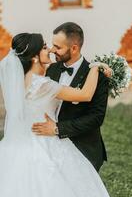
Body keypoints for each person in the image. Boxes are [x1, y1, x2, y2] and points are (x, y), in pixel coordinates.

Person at [0, 33, 110, 197]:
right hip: (46, 141)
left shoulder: (21, 81)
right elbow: (85, 95)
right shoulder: (41, 84)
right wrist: (95, 67)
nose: (50, 50)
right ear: (34, 58)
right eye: (44, 47)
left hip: (24, 141)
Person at [32, 22, 109, 171]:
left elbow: (96, 117)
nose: (53, 50)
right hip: (51, 146)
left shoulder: (97, 74)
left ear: (74, 48)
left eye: (58, 47)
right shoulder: (52, 69)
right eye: (53, 45)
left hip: (83, 147)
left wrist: (58, 129)